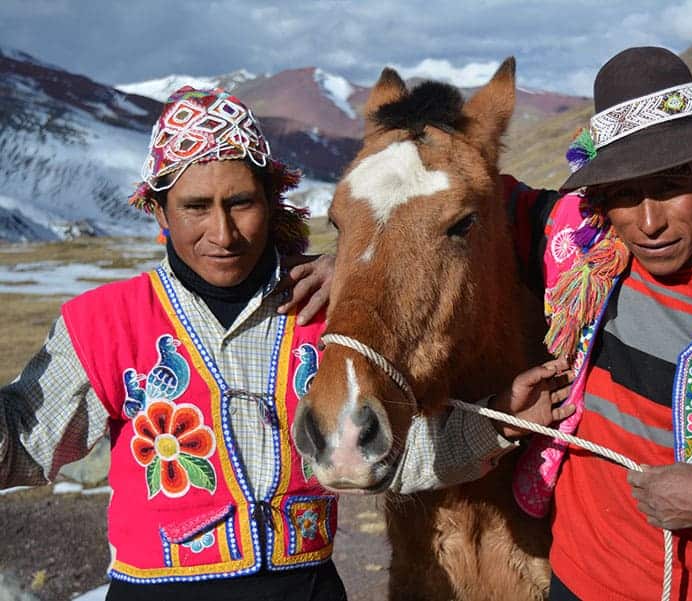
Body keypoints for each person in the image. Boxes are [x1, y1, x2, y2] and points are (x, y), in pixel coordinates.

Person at [0, 85, 568, 601]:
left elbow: (389, 456)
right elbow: (23, 449)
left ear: (272, 201)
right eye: (196, 207)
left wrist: (494, 422)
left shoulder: (327, 319)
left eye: (241, 203)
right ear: (158, 210)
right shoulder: (104, 323)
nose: (222, 234)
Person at [387, 47, 692, 600]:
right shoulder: (580, 246)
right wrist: (354, 261)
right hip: (573, 578)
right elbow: (458, 206)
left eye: (670, 187)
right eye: (624, 194)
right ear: (601, 201)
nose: (649, 224)